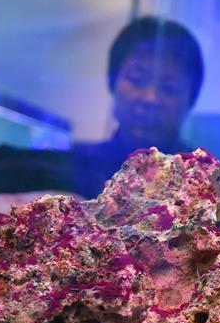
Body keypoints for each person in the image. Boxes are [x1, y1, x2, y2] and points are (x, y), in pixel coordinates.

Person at [71, 16, 206, 198]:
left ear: (191, 99)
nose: (150, 98)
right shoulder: (73, 167)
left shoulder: (206, 183)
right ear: (113, 81)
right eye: (137, 80)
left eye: (168, 87)